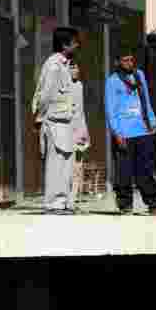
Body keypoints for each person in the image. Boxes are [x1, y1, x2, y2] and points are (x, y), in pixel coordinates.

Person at [105, 48, 156, 216]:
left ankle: (154, 204)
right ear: (118, 62)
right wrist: (116, 132)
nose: (129, 64)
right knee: (123, 171)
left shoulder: (139, 75)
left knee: (146, 170)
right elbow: (110, 109)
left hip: (143, 129)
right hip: (124, 132)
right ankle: (125, 204)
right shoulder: (112, 81)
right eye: (125, 60)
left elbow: (146, 99)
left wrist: (153, 120)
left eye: (131, 60)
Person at [31, 26, 80, 214]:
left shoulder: (66, 65)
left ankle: (64, 201)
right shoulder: (53, 65)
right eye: (74, 42)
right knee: (56, 163)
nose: (77, 45)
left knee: (66, 163)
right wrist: (40, 117)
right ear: (64, 44)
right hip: (54, 121)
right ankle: (53, 203)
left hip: (66, 122)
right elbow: (45, 94)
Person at [69, 61, 91, 208]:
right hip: (66, 130)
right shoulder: (63, 86)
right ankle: (66, 195)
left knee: (78, 164)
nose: (75, 70)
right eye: (71, 67)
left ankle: (74, 195)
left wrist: (84, 130)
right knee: (67, 165)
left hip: (79, 128)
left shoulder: (80, 85)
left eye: (76, 67)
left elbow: (81, 111)